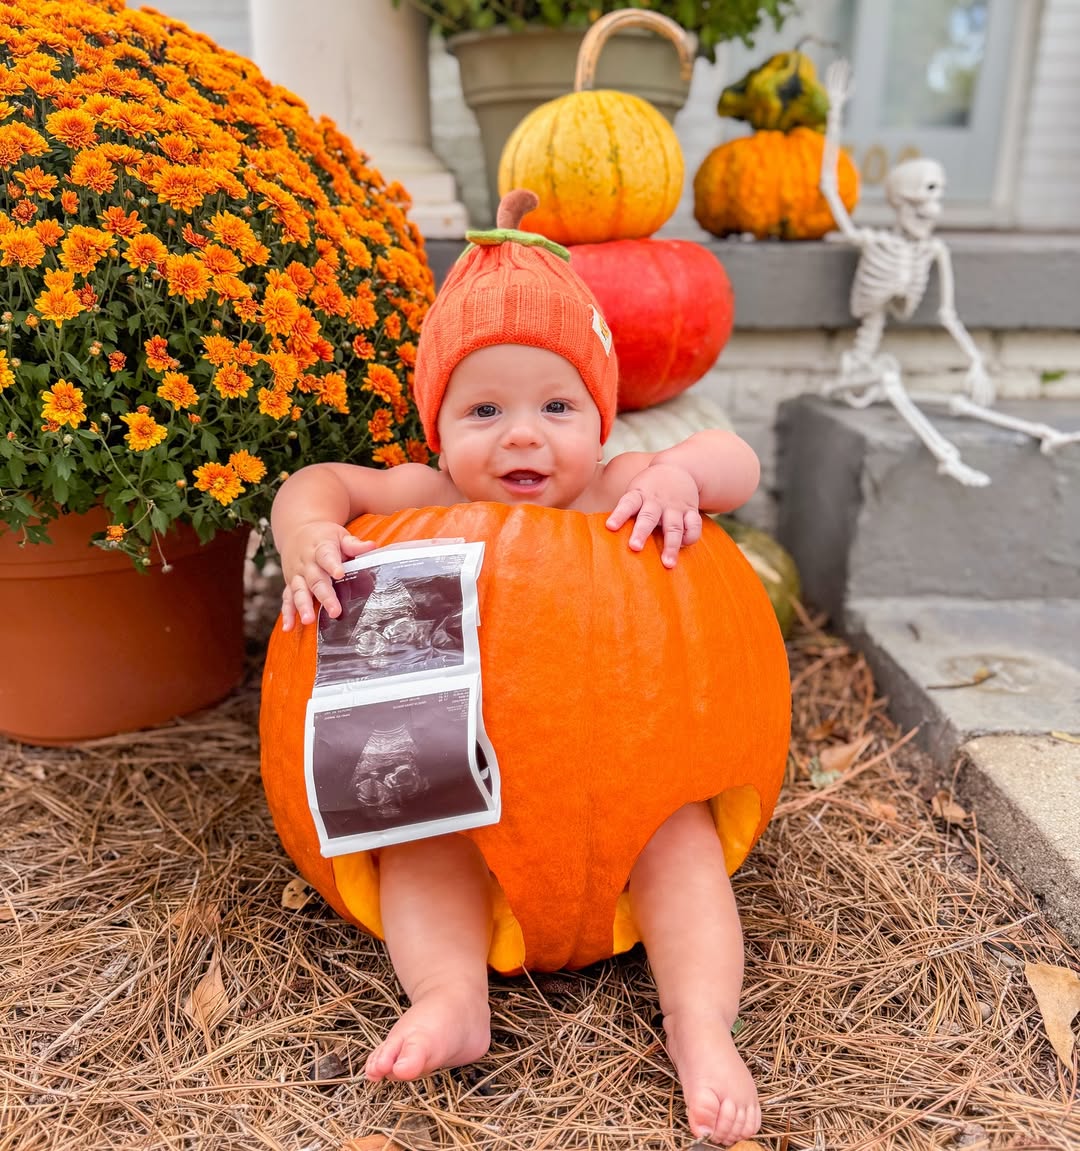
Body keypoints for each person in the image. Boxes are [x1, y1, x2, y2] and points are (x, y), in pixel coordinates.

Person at [271, 189, 766, 1146]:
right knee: (418, 837)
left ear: (602, 418)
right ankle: (451, 996)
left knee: (682, 842)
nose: (524, 434)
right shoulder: (419, 495)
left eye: (556, 405)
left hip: (627, 781)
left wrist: (682, 479)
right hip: (458, 780)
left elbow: (733, 457)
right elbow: (314, 484)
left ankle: (700, 1022)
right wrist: (309, 533)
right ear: (439, 425)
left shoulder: (618, 491)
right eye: (485, 407)